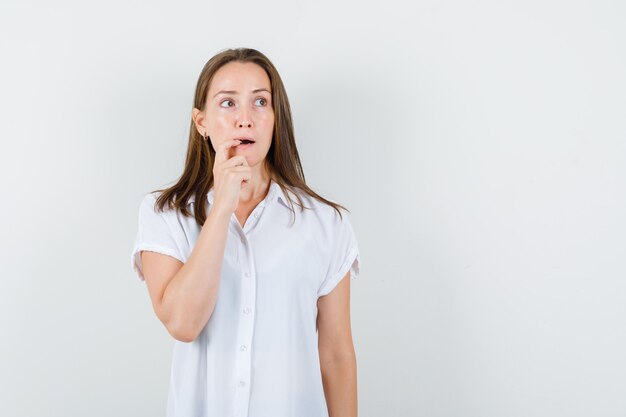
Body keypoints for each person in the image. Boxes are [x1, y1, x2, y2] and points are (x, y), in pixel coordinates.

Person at [130, 47, 361, 417]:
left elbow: (335, 355)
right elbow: (183, 323)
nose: (244, 119)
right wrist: (222, 206)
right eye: (227, 103)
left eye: (260, 102)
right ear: (201, 121)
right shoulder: (165, 214)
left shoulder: (326, 224)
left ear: (274, 118)